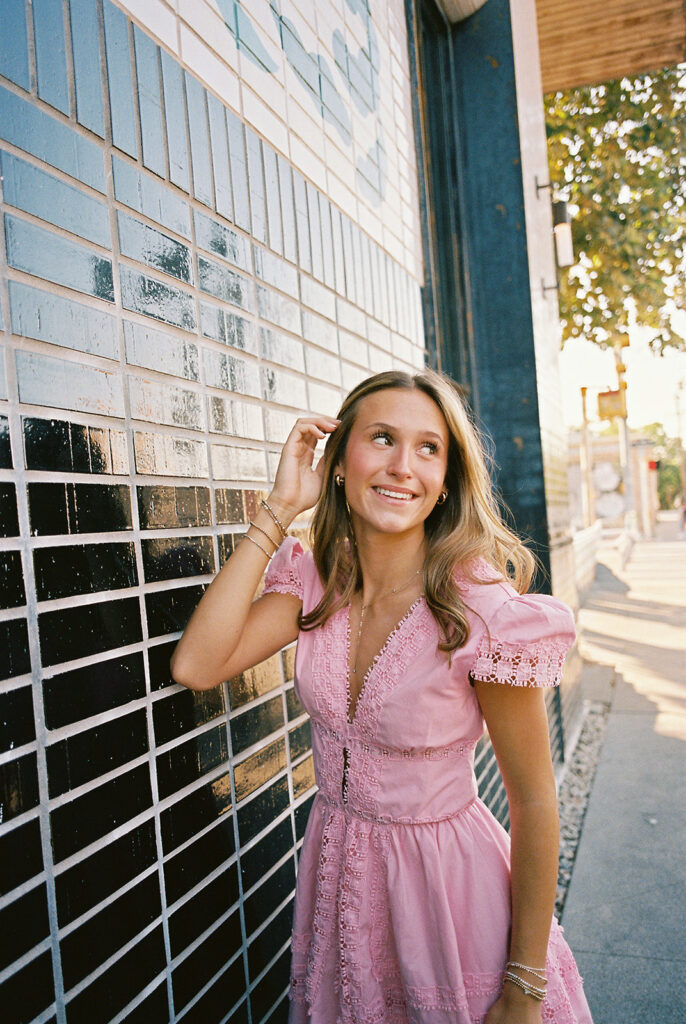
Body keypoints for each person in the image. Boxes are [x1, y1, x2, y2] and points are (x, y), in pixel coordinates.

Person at [171, 369, 593, 1024]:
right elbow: (198, 665)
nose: (403, 466)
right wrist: (281, 508)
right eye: (383, 438)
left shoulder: (483, 612)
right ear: (339, 463)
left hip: (449, 901)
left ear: (448, 479)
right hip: (339, 883)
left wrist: (525, 987)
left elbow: (534, 802)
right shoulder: (317, 580)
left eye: (429, 448)